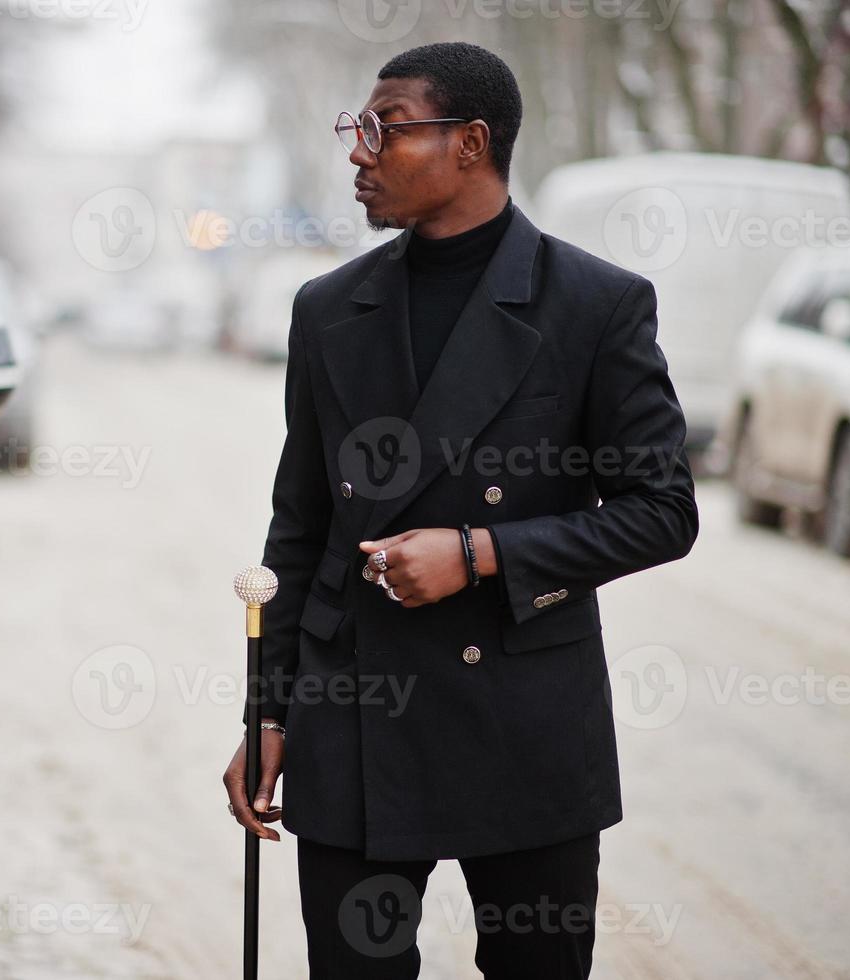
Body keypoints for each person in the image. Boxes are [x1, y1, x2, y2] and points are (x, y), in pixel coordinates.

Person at [221, 41, 699, 978]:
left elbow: (661, 510)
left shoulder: (592, 306)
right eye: (357, 129)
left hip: (520, 721)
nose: (358, 152)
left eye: (385, 128)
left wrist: (478, 551)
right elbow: (301, 524)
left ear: (471, 143)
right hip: (355, 710)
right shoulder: (326, 309)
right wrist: (266, 712)